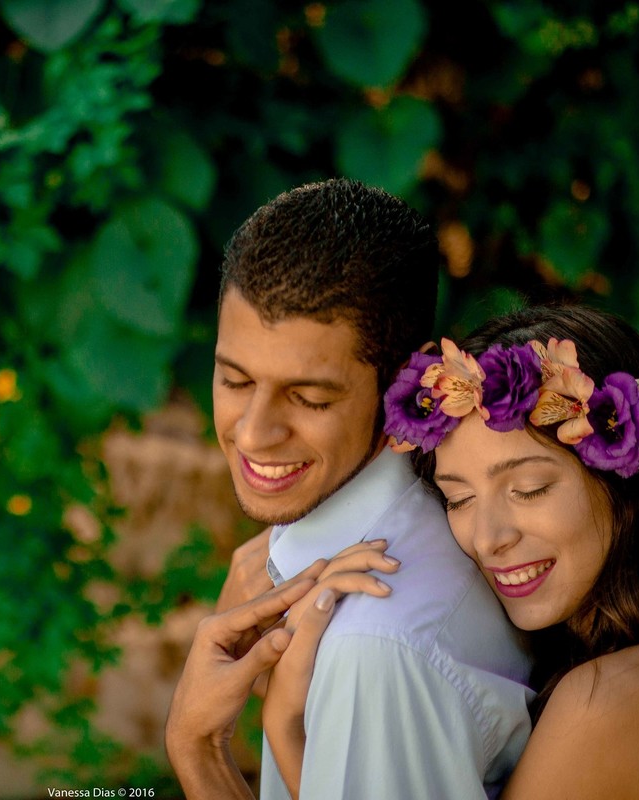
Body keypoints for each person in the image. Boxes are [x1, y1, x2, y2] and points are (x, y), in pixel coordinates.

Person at [165, 179, 533, 799]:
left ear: (406, 383)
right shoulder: (321, 542)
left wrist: (199, 751)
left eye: (309, 397)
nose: (253, 433)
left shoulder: (377, 650)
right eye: (233, 380)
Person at [265, 303, 639, 798]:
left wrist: (271, 733)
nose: (490, 539)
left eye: (530, 488)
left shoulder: (609, 701)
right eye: (459, 499)